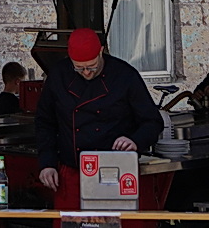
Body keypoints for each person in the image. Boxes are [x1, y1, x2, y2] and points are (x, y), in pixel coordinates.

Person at [35, 28, 163, 211]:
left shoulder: (124, 75)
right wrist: (47, 163)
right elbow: (44, 122)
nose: (86, 72)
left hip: (115, 172)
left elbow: (153, 121)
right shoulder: (58, 76)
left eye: (91, 66)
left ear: (101, 51)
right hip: (72, 172)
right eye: (79, 68)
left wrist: (135, 140)